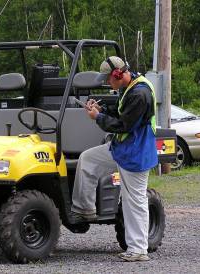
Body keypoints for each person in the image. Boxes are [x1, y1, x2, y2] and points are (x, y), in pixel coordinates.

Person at [70, 56, 158, 262]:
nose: (107, 83)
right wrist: (102, 110)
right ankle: (84, 210)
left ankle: (138, 250)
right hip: (122, 148)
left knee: (133, 201)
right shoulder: (129, 88)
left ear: (118, 74)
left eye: (109, 79)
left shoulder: (140, 93)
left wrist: (97, 118)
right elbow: (120, 115)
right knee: (88, 159)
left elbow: (123, 125)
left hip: (135, 153)